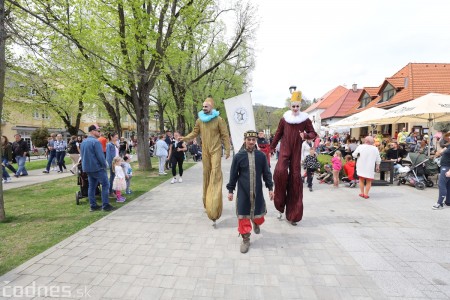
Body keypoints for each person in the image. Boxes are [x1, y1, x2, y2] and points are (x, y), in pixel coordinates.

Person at [181, 96, 231, 225]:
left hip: (216, 150)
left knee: (215, 174)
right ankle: (206, 203)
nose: (204, 108)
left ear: (211, 107)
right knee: (206, 175)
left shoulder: (219, 120)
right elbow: (194, 133)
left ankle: (214, 206)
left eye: (206, 106)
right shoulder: (199, 120)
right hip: (205, 151)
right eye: (203, 106)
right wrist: (185, 138)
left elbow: (225, 135)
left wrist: (227, 150)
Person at [270, 91, 317, 225]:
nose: (295, 109)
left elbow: (314, 133)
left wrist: (306, 136)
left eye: (297, 106)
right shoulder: (284, 119)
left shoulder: (305, 119)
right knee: (280, 172)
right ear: (290, 106)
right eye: (293, 106)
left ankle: (293, 214)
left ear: (300, 106)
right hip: (285, 149)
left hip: (297, 151)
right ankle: (280, 205)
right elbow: (278, 134)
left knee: (295, 179)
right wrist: (271, 147)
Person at [226, 130, 274, 253]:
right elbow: (233, 174)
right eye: (249, 139)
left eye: (253, 139)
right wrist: (230, 190)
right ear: (245, 140)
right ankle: (246, 239)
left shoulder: (261, 156)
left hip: (257, 192)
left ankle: (256, 223)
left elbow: (267, 173)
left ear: (256, 141)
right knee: (243, 215)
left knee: (259, 215)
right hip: (243, 192)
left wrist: (270, 188)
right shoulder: (238, 156)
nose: (251, 142)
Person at [80, 125, 115, 212]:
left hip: (87, 168)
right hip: (97, 168)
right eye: (98, 131)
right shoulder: (96, 142)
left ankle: (93, 206)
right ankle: (105, 205)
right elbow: (100, 156)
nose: (100, 133)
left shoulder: (83, 142)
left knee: (91, 186)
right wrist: (105, 166)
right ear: (92, 131)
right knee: (106, 184)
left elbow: (82, 155)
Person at [432, 131, 450, 209]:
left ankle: (439, 203)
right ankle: (448, 202)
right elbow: (437, 154)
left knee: (441, 184)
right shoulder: (448, 146)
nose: (448, 137)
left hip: (447, 167)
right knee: (448, 185)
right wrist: (441, 149)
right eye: (447, 136)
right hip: (445, 166)